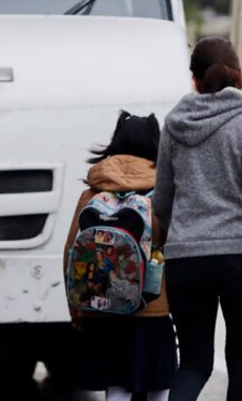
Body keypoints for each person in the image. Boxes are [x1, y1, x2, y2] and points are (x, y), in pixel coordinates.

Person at [153, 37, 242, 401]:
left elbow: (163, 201)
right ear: (239, 77)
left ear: (195, 80)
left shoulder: (174, 125)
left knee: (194, 364)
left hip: (187, 261)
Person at [63, 111, 176, 401]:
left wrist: (77, 308)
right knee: (160, 384)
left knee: (117, 386)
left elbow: (70, 253)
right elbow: (173, 249)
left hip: (103, 308)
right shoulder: (162, 192)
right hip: (152, 309)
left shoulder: (93, 193)